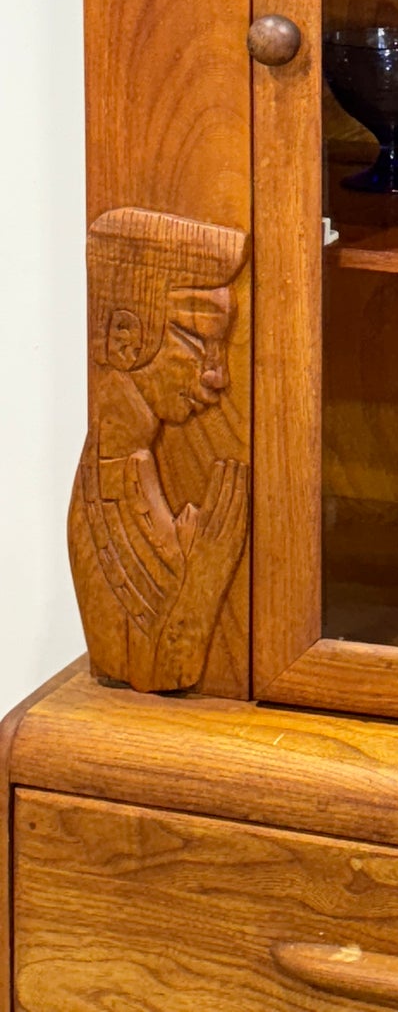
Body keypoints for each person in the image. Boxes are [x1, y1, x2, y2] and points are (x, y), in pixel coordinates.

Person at [68, 209, 249, 692]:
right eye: (196, 343)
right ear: (128, 337)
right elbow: (162, 670)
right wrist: (205, 574)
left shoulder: (122, 474)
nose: (217, 377)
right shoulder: (107, 484)